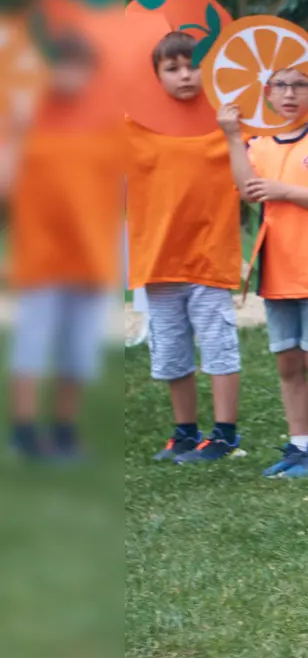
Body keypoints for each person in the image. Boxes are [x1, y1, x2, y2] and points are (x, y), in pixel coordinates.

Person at [218, 68, 308, 476]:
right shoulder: (257, 144)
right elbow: (247, 192)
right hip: (276, 275)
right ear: (266, 93)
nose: (290, 93)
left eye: (300, 84)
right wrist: (231, 135)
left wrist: (285, 192)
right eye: (280, 85)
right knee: (288, 364)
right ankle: (299, 445)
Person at [0, 32, 120, 460]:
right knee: (32, 345)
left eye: (79, 67)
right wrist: (14, 131)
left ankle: (65, 430)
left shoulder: (103, 126)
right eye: (63, 65)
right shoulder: (26, 120)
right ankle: (26, 432)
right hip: (41, 258)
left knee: (78, 350)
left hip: (91, 257)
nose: (71, 76)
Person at [127, 31, 243, 463]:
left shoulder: (224, 121)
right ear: (155, 77)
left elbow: (246, 179)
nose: (185, 75)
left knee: (218, 349)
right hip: (158, 262)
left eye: (192, 65)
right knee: (172, 354)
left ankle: (225, 434)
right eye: (172, 69)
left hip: (209, 257)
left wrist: (232, 134)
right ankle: (185, 432)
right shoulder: (133, 127)